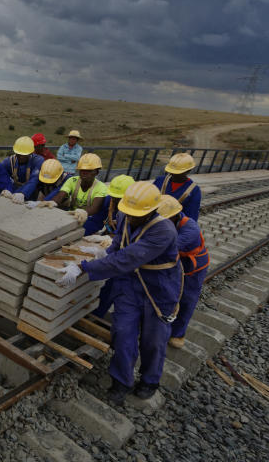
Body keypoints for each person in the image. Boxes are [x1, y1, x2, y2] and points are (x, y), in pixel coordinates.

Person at [57, 181, 183, 404]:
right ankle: (121, 380)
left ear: (152, 210)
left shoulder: (164, 231)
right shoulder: (126, 216)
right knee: (123, 333)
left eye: (136, 215)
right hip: (129, 285)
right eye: (128, 213)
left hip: (158, 288)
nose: (130, 217)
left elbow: (128, 258)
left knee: (153, 339)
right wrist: (102, 253)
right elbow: (119, 245)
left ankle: (150, 379)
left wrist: (84, 267)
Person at [157, 195, 210, 349]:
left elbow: (167, 248)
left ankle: (178, 333)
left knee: (186, 298)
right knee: (167, 293)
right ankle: (161, 324)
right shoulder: (167, 223)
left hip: (193, 267)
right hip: (175, 262)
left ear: (174, 216)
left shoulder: (190, 229)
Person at [90, 174, 135, 319]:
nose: (115, 200)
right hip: (114, 243)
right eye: (114, 197)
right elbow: (98, 219)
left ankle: (98, 315)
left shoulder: (135, 213)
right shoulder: (111, 201)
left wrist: (113, 240)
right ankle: (93, 310)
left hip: (128, 253)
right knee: (103, 280)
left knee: (114, 283)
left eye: (119, 198)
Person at [51, 153, 108, 228]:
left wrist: (84, 212)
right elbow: (61, 195)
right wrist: (51, 202)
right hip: (72, 215)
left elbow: (95, 208)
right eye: (82, 170)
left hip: (89, 218)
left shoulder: (101, 187)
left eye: (89, 171)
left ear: (96, 172)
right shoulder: (72, 181)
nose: (84, 173)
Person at [153, 153, 202, 221]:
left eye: (177, 173)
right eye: (171, 172)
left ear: (188, 171)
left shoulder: (194, 191)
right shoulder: (159, 181)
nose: (173, 174)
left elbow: (191, 217)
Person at [3, 136, 44, 201]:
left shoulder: (38, 161)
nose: (21, 157)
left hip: (31, 193)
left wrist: (23, 193)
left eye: (24, 154)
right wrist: (7, 189)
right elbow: (3, 178)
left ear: (31, 153)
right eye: (19, 154)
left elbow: (34, 180)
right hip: (12, 193)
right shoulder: (8, 162)